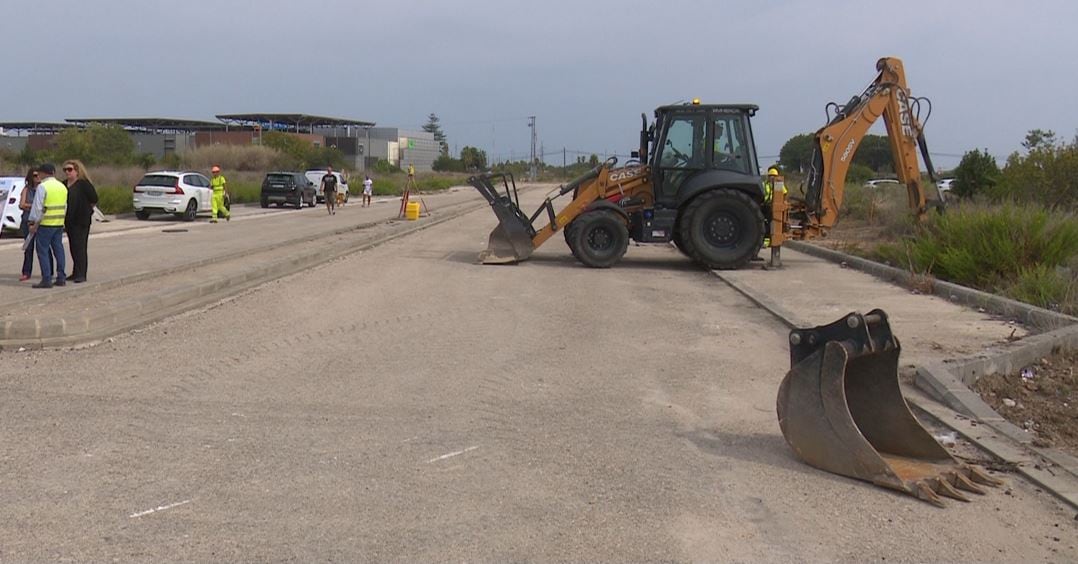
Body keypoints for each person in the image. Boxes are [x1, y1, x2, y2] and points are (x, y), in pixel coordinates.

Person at [27, 163, 67, 288]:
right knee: (59, 250)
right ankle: (61, 277)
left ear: (43, 173)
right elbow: (65, 206)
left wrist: (32, 223)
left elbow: (37, 208)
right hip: (59, 223)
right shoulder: (62, 187)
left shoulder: (42, 187)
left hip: (45, 224)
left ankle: (46, 279)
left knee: (42, 251)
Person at [62, 160, 98, 283]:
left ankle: (82, 274)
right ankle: (75, 271)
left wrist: (87, 209)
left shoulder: (83, 184)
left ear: (77, 171)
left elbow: (94, 199)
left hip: (81, 220)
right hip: (69, 220)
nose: (67, 172)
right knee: (73, 246)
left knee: (80, 247)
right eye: (65, 170)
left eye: (70, 169)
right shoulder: (63, 184)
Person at [17, 169, 44, 281]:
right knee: (29, 247)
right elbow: (22, 204)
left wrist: (32, 206)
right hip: (28, 220)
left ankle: (48, 272)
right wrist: (34, 205)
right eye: (35, 176)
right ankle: (26, 272)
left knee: (43, 248)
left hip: (41, 220)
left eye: (39, 175)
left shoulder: (43, 189)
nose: (37, 177)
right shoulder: (27, 189)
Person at [762, 166, 788, 249]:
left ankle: (769, 241)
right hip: (766, 206)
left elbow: (784, 193)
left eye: (774, 176)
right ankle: (766, 240)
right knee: (765, 223)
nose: (772, 177)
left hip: (774, 207)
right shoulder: (764, 184)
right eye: (770, 176)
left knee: (773, 224)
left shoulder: (778, 184)